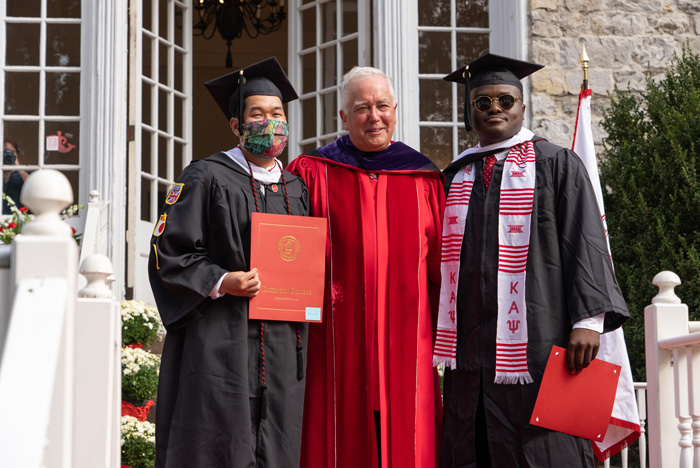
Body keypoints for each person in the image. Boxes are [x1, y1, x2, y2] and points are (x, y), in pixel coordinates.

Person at [435, 53, 630, 468]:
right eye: (482, 103)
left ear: (522, 106)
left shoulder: (556, 164)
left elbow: (584, 238)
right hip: (473, 349)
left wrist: (589, 321)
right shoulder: (454, 176)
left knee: (546, 450)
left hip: (542, 343)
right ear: (470, 112)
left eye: (505, 101)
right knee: (474, 445)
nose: (494, 110)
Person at [148, 57, 310, 468]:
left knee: (278, 440)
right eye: (257, 114)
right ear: (237, 126)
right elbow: (169, 252)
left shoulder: (295, 186)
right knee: (219, 440)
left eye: (277, 114)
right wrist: (223, 280)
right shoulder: (205, 176)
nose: (270, 123)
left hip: (281, 340)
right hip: (222, 338)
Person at [287, 67, 444, 468]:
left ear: (396, 111)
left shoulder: (424, 178)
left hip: (410, 339)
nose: (374, 116)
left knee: (409, 439)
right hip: (335, 341)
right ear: (343, 117)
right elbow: (288, 258)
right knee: (336, 437)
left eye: (382, 106)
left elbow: (444, 267)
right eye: (361, 108)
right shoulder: (311, 172)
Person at [2, 139, 29, 214]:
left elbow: (33, 186)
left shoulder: (23, 173)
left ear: (17, 154)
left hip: (19, 219)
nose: (8, 154)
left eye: (12, 152)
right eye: (6, 151)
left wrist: (17, 165)